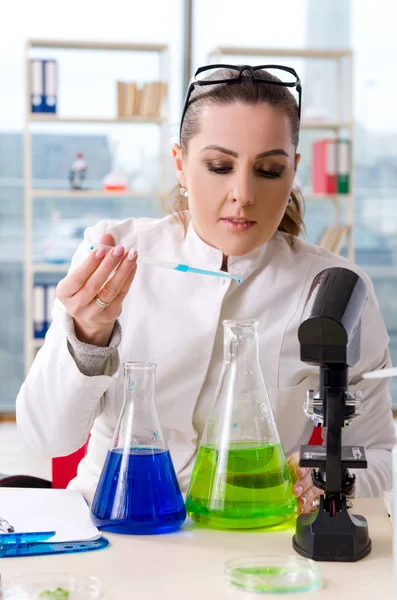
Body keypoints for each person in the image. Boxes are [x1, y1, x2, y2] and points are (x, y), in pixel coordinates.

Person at [16, 65, 395, 515]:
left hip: (248, 534)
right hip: (111, 524)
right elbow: (47, 438)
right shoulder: (114, 253)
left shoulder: (337, 289)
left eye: (269, 170)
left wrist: (325, 478)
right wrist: (88, 334)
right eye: (219, 166)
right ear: (180, 163)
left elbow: (380, 455)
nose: (243, 193)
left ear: (294, 169)